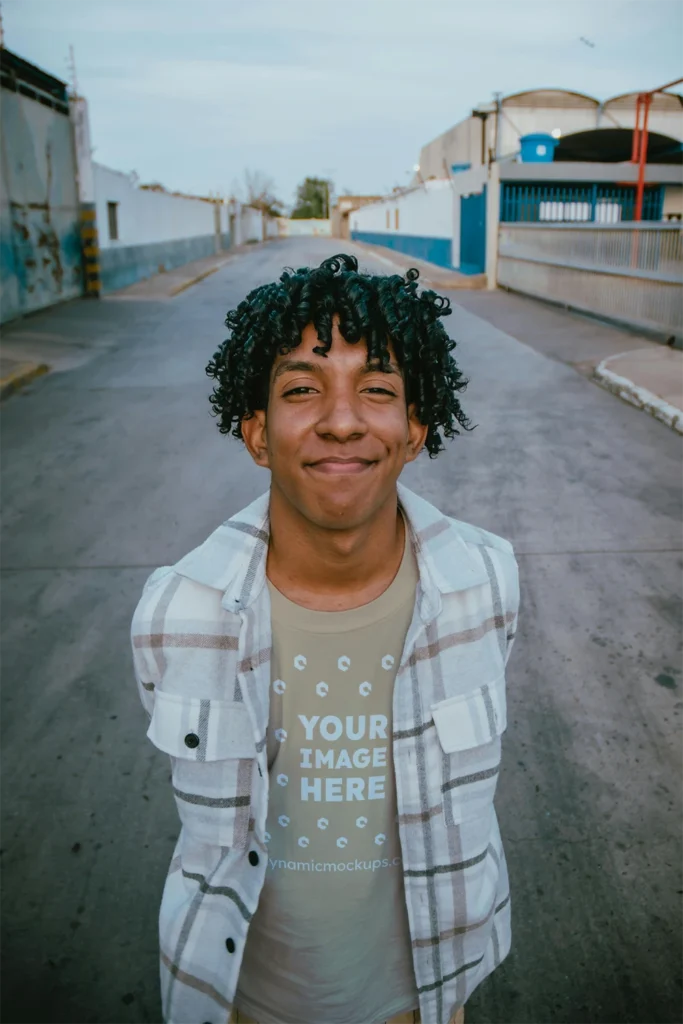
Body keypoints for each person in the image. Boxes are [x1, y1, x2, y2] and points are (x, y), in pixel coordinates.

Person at [131, 253, 519, 1024]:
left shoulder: (485, 581)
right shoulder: (179, 613)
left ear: (414, 429)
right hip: (239, 1003)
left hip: (425, 998)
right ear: (256, 433)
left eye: (376, 389)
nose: (341, 420)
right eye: (301, 389)